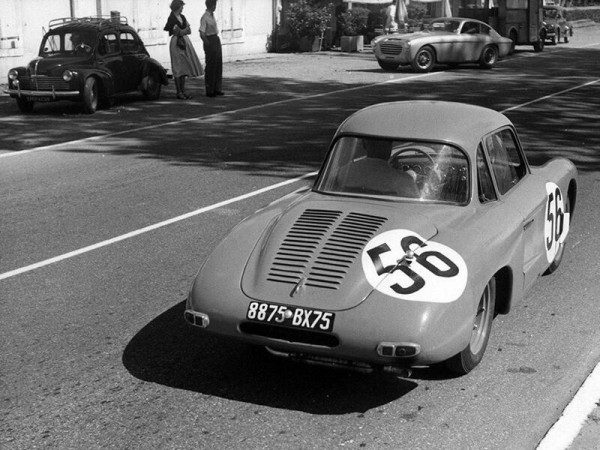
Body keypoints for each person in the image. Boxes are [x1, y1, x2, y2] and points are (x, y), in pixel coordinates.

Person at [164, 0, 203, 99]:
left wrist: (182, 31)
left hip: (184, 42)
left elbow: (188, 30)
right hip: (176, 43)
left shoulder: (183, 17)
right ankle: (179, 92)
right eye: (181, 6)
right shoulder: (171, 18)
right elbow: (175, 31)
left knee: (184, 66)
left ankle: (183, 90)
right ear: (178, 6)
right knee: (178, 67)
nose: (183, 8)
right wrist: (183, 31)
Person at [199, 0, 223, 97]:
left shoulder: (212, 16)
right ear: (211, 5)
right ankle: (210, 90)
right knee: (210, 66)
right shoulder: (205, 17)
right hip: (210, 40)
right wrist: (208, 44)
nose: (215, 7)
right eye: (214, 5)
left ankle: (217, 88)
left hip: (215, 39)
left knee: (218, 65)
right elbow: (202, 33)